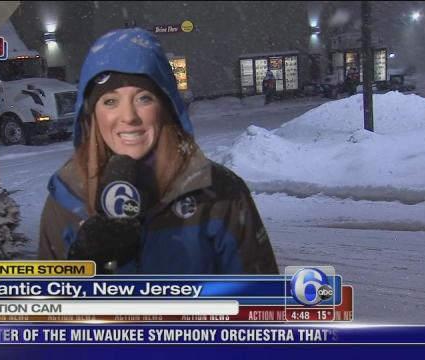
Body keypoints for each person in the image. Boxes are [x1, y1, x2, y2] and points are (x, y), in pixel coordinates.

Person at [38, 27, 278, 274]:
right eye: (110, 101)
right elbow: (47, 308)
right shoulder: (66, 197)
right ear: (92, 114)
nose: (129, 117)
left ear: (166, 105)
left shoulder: (220, 193)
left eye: (144, 98)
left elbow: (258, 304)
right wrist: (80, 269)